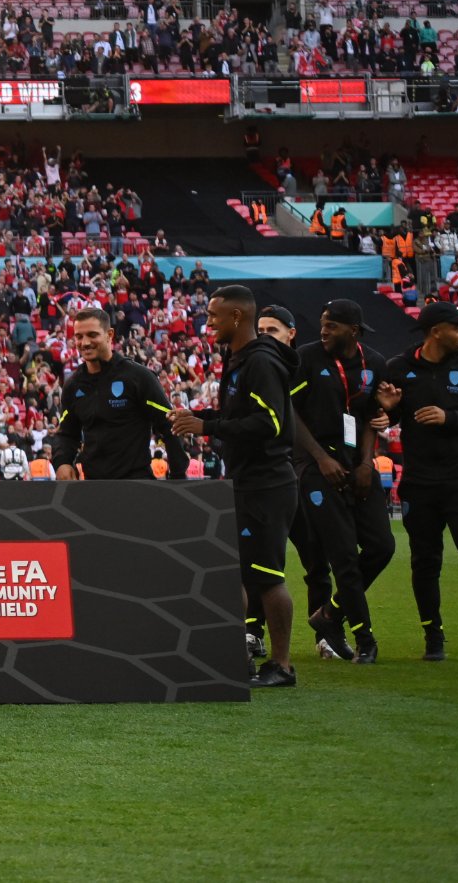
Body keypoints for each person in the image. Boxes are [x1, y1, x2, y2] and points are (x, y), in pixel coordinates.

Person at [168, 285, 299, 689]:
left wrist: (207, 427)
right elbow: (238, 413)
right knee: (237, 573)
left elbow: (271, 424)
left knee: (268, 577)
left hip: (267, 483)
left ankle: (281, 665)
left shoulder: (260, 362)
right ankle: (238, 656)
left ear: (237, 317)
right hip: (246, 480)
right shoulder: (238, 358)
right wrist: (201, 416)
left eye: (213, 316)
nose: (208, 324)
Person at [375, 302, 458, 664]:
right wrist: (389, 409)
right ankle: (433, 639)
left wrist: (448, 417)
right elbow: (386, 416)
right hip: (418, 483)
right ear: (437, 331)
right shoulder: (399, 368)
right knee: (424, 562)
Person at [288, 299, 385, 662]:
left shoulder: (374, 363)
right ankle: (365, 639)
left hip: (355, 465)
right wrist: (321, 458)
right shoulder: (308, 359)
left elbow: (372, 417)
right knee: (343, 555)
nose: (323, 330)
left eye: (332, 325)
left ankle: (329, 615)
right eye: (323, 323)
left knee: (382, 546)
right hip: (316, 467)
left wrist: (365, 463)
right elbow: (291, 413)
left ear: (353, 331)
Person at [47, 307, 185, 483]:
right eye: (79, 336)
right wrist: (62, 463)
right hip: (94, 489)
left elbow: (170, 426)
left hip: (136, 487)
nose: (85, 342)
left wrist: (179, 479)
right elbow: (66, 434)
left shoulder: (138, 377)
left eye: (92, 335)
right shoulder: (73, 385)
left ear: (109, 334)